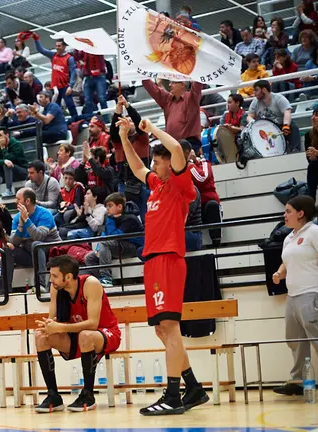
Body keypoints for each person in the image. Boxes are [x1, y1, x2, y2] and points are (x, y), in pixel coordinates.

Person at [117, 116, 209, 415]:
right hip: (153, 261)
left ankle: (172, 396)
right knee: (161, 329)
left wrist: (152, 129)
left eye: (159, 160)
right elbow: (136, 167)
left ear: (171, 163)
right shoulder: (156, 184)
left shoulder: (182, 185)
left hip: (168, 258)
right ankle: (193, 388)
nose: (154, 165)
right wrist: (124, 137)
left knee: (169, 327)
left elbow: (178, 150)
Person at [33, 255, 121, 413]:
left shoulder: (91, 284)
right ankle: (53, 395)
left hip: (106, 332)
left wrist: (60, 328)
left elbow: (93, 324)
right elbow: (53, 320)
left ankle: (88, 395)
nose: (50, 280)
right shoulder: (56, 289)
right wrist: (48, 326)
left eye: (54, 276)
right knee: (41, 336)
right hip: (78, 335)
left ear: (68, 277)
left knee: (86, 335)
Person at [272, 195, 318, 396]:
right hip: (293, 295)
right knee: (294, 339)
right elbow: (287, 261)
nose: (284, 215)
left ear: (301, 213)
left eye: (288, 211)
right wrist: (280, 273)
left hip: (312, 292)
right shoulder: (289, 237)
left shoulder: (316, 232)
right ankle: (298, 380)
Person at [83, 193, 143, 287]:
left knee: (106, 244)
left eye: (110, 206)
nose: (107, 209)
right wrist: (98, 249)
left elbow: (115, 236)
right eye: (106, 206)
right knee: (89, 257)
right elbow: (104, 235)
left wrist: (111, 220)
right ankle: (100, 280)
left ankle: (106, 277)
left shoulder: (130, 218)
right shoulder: (111, 218)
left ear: (119, 206)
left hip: (134, 248)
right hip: (117, 246)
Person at [11, 188, 61, 290]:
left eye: (18, 199)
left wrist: (27, 220)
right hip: (31, 254)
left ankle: (40, 285)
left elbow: (39, 237)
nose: (15, 202)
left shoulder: (45, 214)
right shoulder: (17, 217)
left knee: (37, 245)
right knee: (9, 249)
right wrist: (20, 226)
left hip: (50, 252)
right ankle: (4, 289)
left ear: (27, 201)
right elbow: (13, 242)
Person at [142, 79, 203, 152]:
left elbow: (198, 81)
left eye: (173, 82)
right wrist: (143, 73)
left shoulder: (192, 97)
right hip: (172, 143)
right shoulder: (167, 99)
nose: (170, 85)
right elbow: (149, 86)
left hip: (189, 143)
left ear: (182, 85)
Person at [32, 34, 79, 120]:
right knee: (54, 107)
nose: (57, 47)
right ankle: (57, 122)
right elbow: (41, 50)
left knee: (70, 105)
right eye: (56, 46)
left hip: (65, 86)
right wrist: (36, 39)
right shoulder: (53, 55)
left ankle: (76, 122)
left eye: (59, 46)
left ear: (64, 47)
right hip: (55, 87)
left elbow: (73, 72)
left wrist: (71, 86)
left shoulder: (69, 58)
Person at [247, 80, 300, 154]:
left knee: (293, 127)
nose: (254, 93)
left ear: (264, 90)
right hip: (264, 129)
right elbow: (249, 116)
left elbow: (287, 112)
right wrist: (253, 123)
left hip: (280, 125)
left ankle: (295, 150)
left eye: (256, 90)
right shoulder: (255, 101)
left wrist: (286, 125)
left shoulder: (278, 98)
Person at [0, 128, 28, 198]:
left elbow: (10, 159)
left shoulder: (16, 144)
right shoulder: (0, 145)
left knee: (7, 164)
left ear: (7, 135)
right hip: (8, 173)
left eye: (0, 135)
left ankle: (9, 190)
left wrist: (3, 148)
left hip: (21, 171)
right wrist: (3, 161)